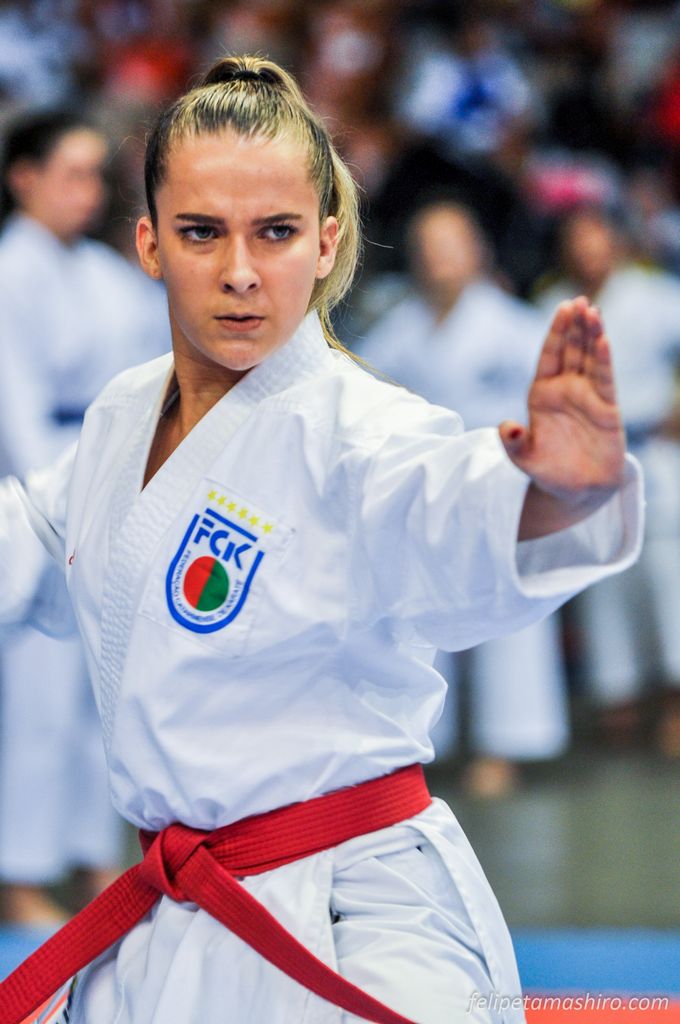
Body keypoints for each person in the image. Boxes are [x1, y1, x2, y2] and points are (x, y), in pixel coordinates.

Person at [0, 56, 641, 1024]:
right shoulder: (122, 415)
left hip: (351, 913)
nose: (241, 271)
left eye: (277, 232)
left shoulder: (356, 429)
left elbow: (448, 503)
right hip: (179, 918)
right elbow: (38, 540)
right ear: (148, 243)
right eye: (201, 232)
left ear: (326, 239)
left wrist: (553, 487)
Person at [0, 108, 170, 925]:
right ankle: (23, 872)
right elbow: (17, 407)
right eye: (69, 174)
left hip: (116, 479)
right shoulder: (11, 271)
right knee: (37, 696)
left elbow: (152, 373)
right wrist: (63, 500)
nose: (87, 191)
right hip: (38, 497)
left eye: (94, 176)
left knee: (102, 694)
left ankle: (95, 859)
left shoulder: (104, 274)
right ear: (23, 178)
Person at [359, 201, 570, 797]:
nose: (437, 258)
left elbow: (552, 412)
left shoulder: (517, 327)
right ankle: (430, 739)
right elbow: (367, 393)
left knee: (510, 617)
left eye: (449, 243)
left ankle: (506, 744)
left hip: (505, 484)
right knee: (421, 610)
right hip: (428, 488)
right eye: (426, 245)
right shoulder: (402, 328)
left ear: (478, 250)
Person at [535, 206, 680, 756]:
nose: (588, 249)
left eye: (597, 236)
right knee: (601, 577)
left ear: (617, 242)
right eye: (577, 239)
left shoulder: (655, 295)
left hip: (653, 449)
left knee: (667, 578)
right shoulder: (551, 306)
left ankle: (673, 698)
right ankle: (619, 699)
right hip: (587, 462)